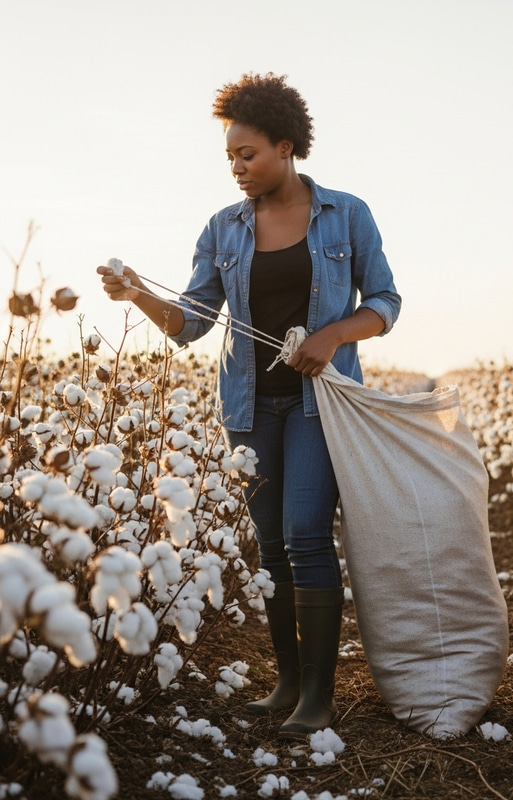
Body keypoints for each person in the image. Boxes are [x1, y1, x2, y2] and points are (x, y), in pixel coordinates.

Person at [97, 72, 401, 739]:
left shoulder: (346, 214)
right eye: (229, 157)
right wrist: (135, 296)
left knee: (305, 534)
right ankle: (288, 683)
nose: (236, 166)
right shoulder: (223, 228)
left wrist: (333, 334)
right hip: (249, 406)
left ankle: (319, 694)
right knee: (272, 546)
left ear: (287, 146)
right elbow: (192, 323)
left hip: (321, 407)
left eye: (248, 153)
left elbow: (385, 302)